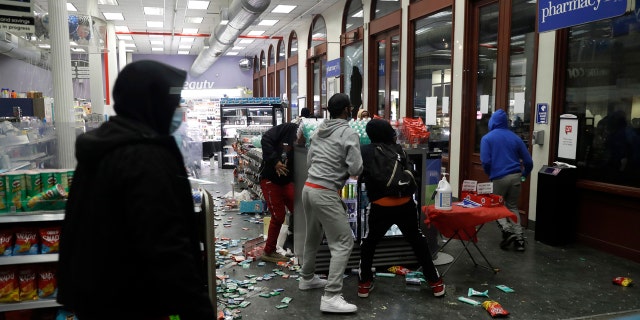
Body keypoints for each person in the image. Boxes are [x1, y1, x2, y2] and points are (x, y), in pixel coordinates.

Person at [56, 60, 216, 320]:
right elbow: (165, 243)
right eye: (174, 102)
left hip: (101, 294)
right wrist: (197, 309)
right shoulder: (142, 156)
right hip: (132, 298)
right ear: (153, 101)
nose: (178, 110)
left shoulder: (106, 144)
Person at [357, 119, 445, 298]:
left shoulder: (365, 151)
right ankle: (435, 283)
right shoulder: (399, 150)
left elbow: (357, 171)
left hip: (380, 206)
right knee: (417, 241)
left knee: (370, 243)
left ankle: (364, 285)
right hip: (405, 204)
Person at [299, 93, 363, 313]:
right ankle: (332, 296)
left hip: (309, 188)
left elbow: (310, 161)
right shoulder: (348, 132)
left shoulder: (318, 131)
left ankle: (307, 278)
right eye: (351, 107)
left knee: (313, 236)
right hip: (325, 192)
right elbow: (355, 168)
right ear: (346, 110)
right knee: (343, 242)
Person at [480, 109, 534, 252]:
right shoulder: (515, 138)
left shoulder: (487, 138)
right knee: (512, 206)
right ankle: (519, 239)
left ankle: (507, 231)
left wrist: (489, 173)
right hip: (516, 176)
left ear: (492, 122)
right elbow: (529, 161)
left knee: (495, 206)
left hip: (498, 177)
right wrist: (524, 175)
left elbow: (485, 161)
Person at [259, 122, 299, 263]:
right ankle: (268, 251)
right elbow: (266, 139)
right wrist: (275, 161)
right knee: (278, 216)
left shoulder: (306, 141)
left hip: (286, 181)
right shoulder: (289, 128)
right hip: (270, 180)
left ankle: (299, 247)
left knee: (299, 210)